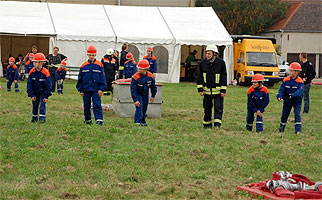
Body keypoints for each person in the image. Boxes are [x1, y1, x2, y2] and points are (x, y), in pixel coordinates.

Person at [197, 45, 227, 128]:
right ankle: (207, 125)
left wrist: (223, 90)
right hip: (206, 91)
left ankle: (217, 125)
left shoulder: (221, 63)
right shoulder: (203, 63)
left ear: (214, 54)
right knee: (207, 108)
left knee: (218, 108)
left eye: (209, 54)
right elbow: (200, 76)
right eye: (206, 53)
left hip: (218, 91)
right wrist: (200, 89)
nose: (207, 55)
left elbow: (224, 77)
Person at [76, 45, 107, 125]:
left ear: (95, 55)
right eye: (90, 55)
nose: (91, 57)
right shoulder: (83, 65)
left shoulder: (99, 65)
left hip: (96, 90)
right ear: (87, 55)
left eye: (93, 55)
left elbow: (102, 78)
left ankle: (99, 120)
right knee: (86, 106)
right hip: (86, 89)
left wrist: (101, 89)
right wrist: (81, 89)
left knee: (97, 105)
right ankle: (87, 120)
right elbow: (80, 78)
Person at [277, 62, 304, 134]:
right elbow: (281, 90)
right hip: (287, 101)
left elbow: (300, 91)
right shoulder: (286, 80)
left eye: (292, 70)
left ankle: (298, 130)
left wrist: (293, 95)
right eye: (290, 70)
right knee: (284, 115)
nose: (290, 72)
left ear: (297, 72)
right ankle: (281, 128)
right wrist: (279, 96)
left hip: (296, 101)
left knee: (297, 114)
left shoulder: (300, 81)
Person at [27, 53, 52, 123]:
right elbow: (29, 85)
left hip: (43, 93)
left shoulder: (46, 72)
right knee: (35, 106)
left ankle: (42, 120)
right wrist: (31, 95)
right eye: (33, 62)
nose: (34, 63)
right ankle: (34, 119)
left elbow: (48, 85)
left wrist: (46, 96)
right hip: (35, 93)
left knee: (42, 106)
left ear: (41, 62)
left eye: (35, 62)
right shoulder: (31, 72)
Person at [131, 59, 157, 126]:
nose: (138, 69)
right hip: (138, 94)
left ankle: (142, 121)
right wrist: (135, 100)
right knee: (139, 107)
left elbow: (153, 87)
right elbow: (133, 90)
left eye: (140, 68)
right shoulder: (135, 77)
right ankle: (137, 122)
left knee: (144, 108)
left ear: (145, 69)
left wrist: (153, 96)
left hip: (145, 94)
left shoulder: (150, 76)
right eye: (138, 68)